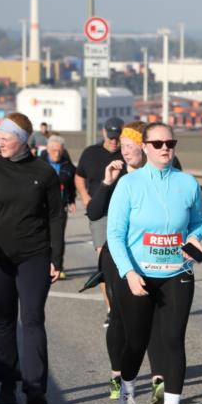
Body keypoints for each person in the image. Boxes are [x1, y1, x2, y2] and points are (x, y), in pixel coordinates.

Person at [107, 122, 202, 404]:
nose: (165, 148)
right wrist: (129, 272)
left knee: (173, 340)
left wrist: (194, 240)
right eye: (158, 143)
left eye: (170, 142)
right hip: (139, 276)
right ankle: (127, 394)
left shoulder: (188, 183)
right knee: (136, 342)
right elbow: (115, 234)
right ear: (146, 147)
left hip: (177, 273)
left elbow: (199, 222)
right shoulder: (129, 184)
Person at [0, 113, 64, 404]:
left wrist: (56, 257)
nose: (0, 141)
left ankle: (35, 387)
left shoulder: (44, 172)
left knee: (33, 318)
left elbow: (56, 216)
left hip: (34, 255)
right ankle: (8, 382)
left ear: (22, 140)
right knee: (5, 319)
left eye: (5, 137)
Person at [87, 122, 164, 404]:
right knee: (118, 316)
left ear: (144, 147)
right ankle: (116, 375)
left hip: (152, 255)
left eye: (130, 147)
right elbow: (94, 212)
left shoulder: (159, 174)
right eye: (123, 147)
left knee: (154, 317)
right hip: (116, 256)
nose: (125, 151)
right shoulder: (116, 176)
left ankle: (158, 379)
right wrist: (107, 182)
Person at [76, 117, 125, 334]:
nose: (114, 141)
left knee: (124, 262)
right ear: (104, 133)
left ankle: (127, 305)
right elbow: (79, 176)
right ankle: (111, 309)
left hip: (125, 215)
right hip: (100, 214)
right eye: (111, 136)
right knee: (105, 262)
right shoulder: (91, 153)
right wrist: (85, 197)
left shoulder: (129, 154)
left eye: (118, 137)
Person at [45, 134, 77, 278]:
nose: (56, 153)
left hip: (60, 206)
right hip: (41, 206)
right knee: (43, 238)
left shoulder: (68, 165)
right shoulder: (39, 163)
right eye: (53, 150)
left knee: (57, 239)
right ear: (47, 149)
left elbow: (71, 184)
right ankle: (43, 265)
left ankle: (58, 267)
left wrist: (72, 200)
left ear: (63, 150)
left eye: (59, 150)